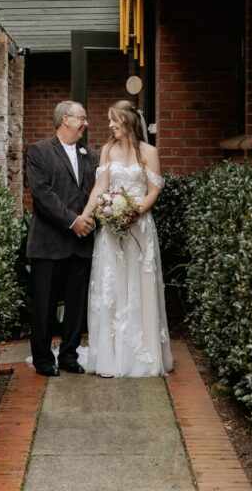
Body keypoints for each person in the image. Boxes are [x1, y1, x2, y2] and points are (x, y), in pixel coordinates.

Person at [81, 100, 173, 377]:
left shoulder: (149, 152)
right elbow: (100, 188)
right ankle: (110, 356)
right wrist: (85, 216)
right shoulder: (108, 150)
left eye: (114, 120)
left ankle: (142, 355)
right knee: (112, 286)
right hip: (111, 229)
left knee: (139, 285)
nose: (110, 125)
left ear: (128, 122)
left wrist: (133, 213)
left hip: (139, 229)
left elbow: (153, 192)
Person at [25, 100, 98, 377]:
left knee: (76, 305)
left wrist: (89, 221)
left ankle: (69, 355)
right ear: (65, 119)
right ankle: (43, 360)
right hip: (49, 243)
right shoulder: (39, 152)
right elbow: (43, 195)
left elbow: (94, 192)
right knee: (44, 304)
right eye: (82, 118)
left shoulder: (90, 156)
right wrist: (72, 221)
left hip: (82, 243)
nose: (85, 123)